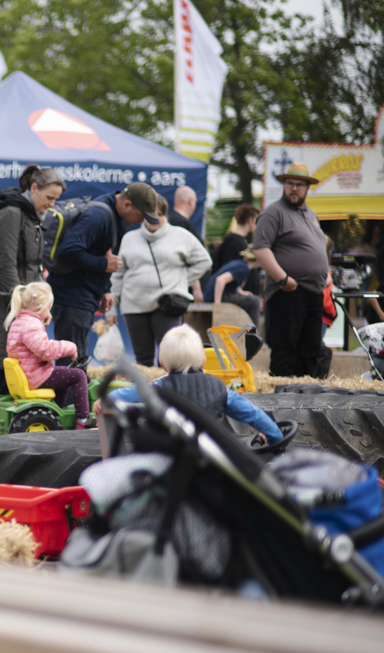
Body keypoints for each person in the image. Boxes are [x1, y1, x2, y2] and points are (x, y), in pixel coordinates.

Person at [0, 164, 65, 442]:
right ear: (34, 188)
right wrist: (23, 306)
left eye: (56, 199)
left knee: (18, 371)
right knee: (0, 368)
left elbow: (34, 267)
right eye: (49, 197)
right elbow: (6, 263)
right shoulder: (11, 214)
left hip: (23, 307)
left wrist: (41, 305)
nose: (52, 204)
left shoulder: (32, 217)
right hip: (5, 305)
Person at [96, 325, 282, 444]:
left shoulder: (160, 387)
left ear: (162, 364)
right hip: (209, 459)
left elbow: (125, 394)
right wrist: (274, 435)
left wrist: (103, 401)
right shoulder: (219, 389)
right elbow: (252, 413)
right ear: (203, 361)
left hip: (169, 458)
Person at [48, 182, 158, 363]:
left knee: (78, 362)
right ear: (127, 204)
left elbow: (102, 252)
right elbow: (69, 250)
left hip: (82, 296)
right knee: (71, 365)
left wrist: (105, 288)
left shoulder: (117, 215)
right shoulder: (98, 216)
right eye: (140, 215)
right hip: (72, 297)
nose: (140, 222)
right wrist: (104, 264)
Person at [109, 193, 211, 367]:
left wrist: (181, 281)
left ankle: (167, 385)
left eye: (159, 215)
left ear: (165, 215)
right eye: (149, 215)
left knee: (170, 357)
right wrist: (111, 309)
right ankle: (144, 386)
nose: (154, 219)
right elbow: (117, 275)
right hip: (134, 305)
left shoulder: (181, 235)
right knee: (143, 360)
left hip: (167, 305)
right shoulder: (129, 238)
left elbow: (204, 261)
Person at [252, 162, 329, 378]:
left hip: (314, 292)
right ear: (284, 185)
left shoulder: (311, 215)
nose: (294, 188)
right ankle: (282, 394)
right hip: (288, 291)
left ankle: (304, 394)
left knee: (310, 350)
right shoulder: (273, 213)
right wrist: (282, 278)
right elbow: (260, 249)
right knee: (286, 350)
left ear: (307, 187)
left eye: (299, 184)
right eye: (289, 183)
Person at [6, 282, 93, 430]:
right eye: (48, 308)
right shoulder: (31, 325)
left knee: (64, 373)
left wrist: (42, 317)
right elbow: (45, 351)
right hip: (35, 377)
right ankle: (83, 419)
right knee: (78, 375)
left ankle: (57, 409)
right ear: (40, 309)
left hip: (28, 374)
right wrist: (70, 348)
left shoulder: (19, 322)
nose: (49, 312)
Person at [205, 247, 262, 327]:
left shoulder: (240, 264)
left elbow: (231, 284)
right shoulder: (243, 268)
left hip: (212, 295)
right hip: (216, 297)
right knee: (255, 301)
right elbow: (220, 280)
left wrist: (241, 292)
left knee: (248, 298)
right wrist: (217, 305)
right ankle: (254, 331)